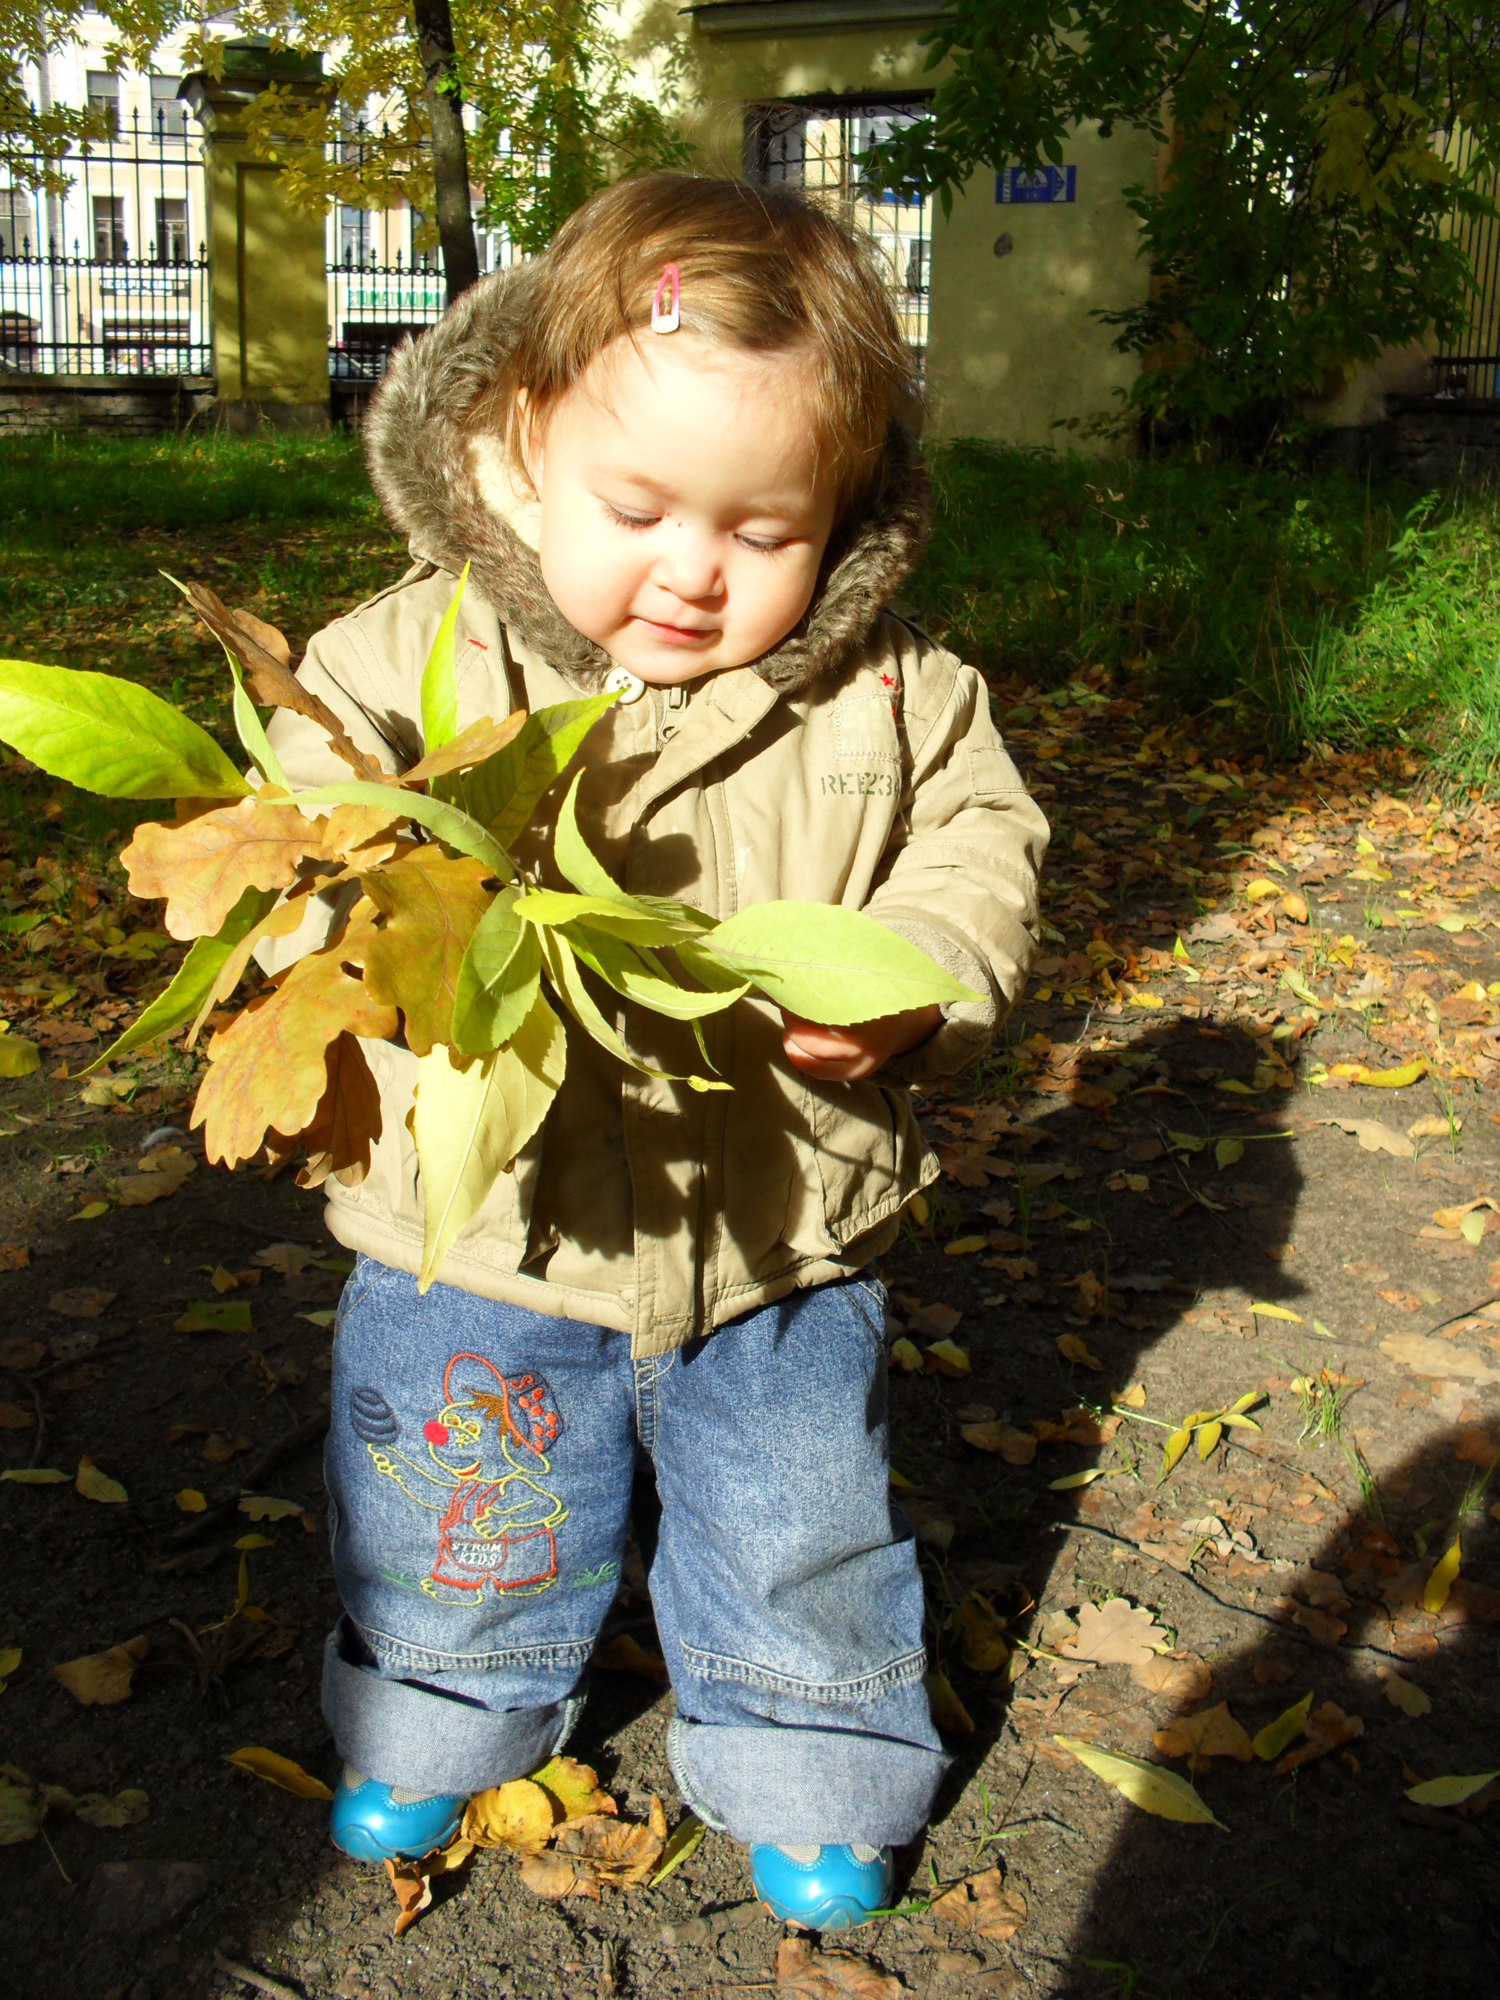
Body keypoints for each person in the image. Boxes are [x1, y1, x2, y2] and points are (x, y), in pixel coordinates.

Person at [261, 173, 1048, 1931]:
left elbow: (979, 843)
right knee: (458, 1493)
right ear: (519, 447)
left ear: (843, 520)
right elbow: (308, 796)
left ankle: (812, 1743)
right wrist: (354, 894)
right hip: (485, 1218)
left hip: (772, 1224)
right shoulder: (411, 653)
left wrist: (919, 967)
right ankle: (439, 1707)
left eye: (762, 533)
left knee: (797, 1515)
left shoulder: (897, 692)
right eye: (636, 508)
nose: (690, 573)